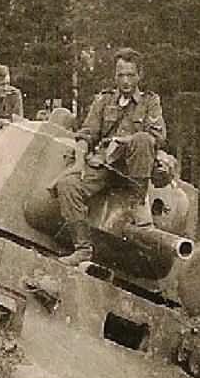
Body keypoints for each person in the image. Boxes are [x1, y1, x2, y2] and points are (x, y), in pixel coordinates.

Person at [55, 47, 166, 266]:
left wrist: (125, 141)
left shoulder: (150, 102)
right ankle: (82, 249)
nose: (125, 81)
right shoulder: (104, 101)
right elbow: (87, 133)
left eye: (130, 75)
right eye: (121, 75)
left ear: (139, 76)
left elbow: (158, 137)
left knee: (143, 139)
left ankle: (137, 203)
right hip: (105, 165)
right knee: (68, 185)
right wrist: (79, 162)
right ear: (115, 76)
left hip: (133, 171)